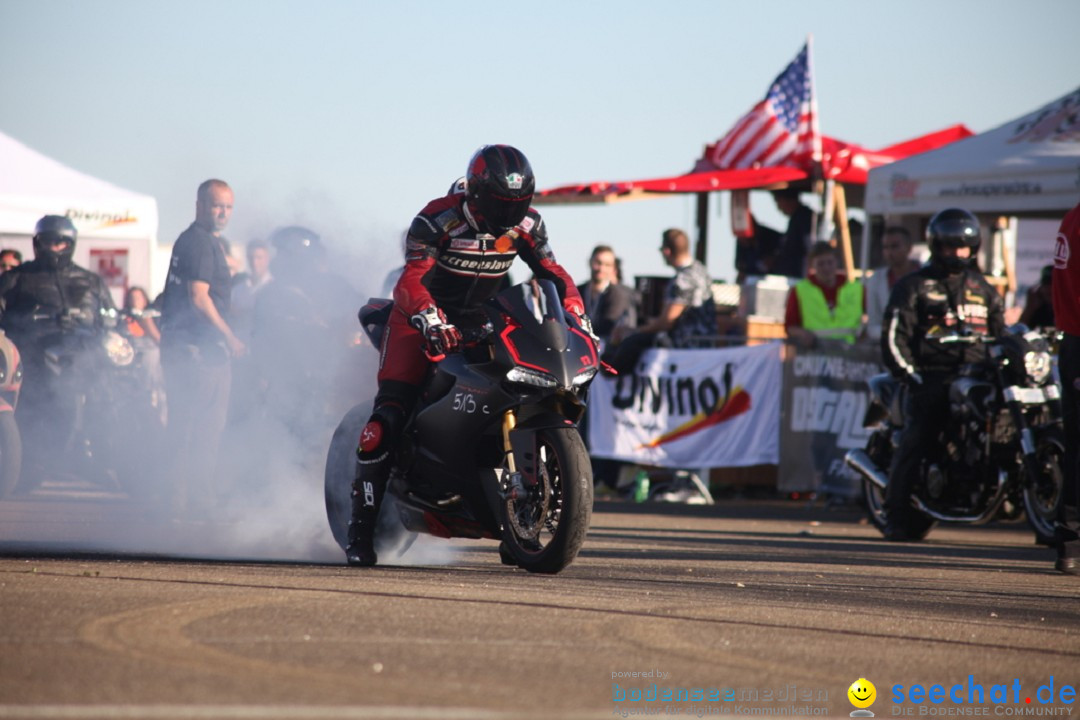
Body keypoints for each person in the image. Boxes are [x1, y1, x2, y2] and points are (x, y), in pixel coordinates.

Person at [345, 144, 588, 567]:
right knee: (389, 417)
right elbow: (410, 280)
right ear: (476, 194)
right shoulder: (438, 219)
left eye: (517, 203)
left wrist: (576, 315)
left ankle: (514, 521)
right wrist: (429, 318)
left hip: (485, 317)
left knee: (523, 384)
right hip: (419, 317)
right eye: (499, 203)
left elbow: (553, 274)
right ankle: (359, 530)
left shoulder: (529, 224)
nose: (508, 214)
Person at [880, 208, 1004, 541]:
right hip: (930, 377)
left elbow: (1002, 335)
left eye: (965, 248)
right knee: (920, 432)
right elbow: (893, 338)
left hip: (977, 378)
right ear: (937, 245)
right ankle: (895, 512)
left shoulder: (984, 288)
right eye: (952, 247)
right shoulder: (914, 286)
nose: (959, 254)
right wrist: (912, 376)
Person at [159, 179, 246, 520]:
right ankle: (192, 507)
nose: (223, 213)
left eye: (228, 207)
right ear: (199, 205)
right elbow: (198, 299)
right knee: (201, 430)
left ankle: (179, 504)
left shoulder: (200, 241)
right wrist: (230, 337)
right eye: (216, 206)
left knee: (190, 428)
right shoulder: (198, 243)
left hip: (190, 348)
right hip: (197, 352)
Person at [0, 216, 116, 471]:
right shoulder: (16, 278)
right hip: (34, 348)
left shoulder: (90, 280)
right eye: (49, 242)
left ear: (71, 244)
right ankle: (24, 448)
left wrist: (111, 327)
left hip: (83, 350)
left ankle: (111, 444)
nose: (55, 247)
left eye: (61, 242)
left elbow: (110, 316)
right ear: (38, 243)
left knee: (119, 379)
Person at [605, 228, 716, 375]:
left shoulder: (683, 279)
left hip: (686, 344)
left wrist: (634, 331)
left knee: (632, 342)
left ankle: (610, 372)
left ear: (667, 251)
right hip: (705, 342)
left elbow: (666, 322)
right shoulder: (701, 270)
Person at [1052, 200, 1080, 575]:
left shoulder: (1071, 216)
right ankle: (1070, 543)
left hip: (1072, 341)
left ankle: (1068, 544)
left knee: (1075, 449)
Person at [784, 241, 864, 348]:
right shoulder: (799, 291)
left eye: (830, 262)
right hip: (814, 353)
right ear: (812, 265)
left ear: (837, 262)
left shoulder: (856, 289)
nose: (826, 268)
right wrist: (803, 334)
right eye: (821, 264)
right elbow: (790, 326)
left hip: (850, 352)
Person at [863, 227, 920, 343]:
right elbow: (873, 325)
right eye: (885, 247)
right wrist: (896, 334)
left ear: (909, 248)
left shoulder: (926, 277)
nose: (889, 252)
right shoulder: (876, 279)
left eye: (895, 246)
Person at [577, 245, 636, 352]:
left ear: (613, 268)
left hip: (604, 348)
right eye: (598, 263)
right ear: (590, 262)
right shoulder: (578, 291)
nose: (601, 268)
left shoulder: (618, 295)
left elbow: (608, 325)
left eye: (607, 265)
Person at [770, 188, 815, 278]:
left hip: (800, 276)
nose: (778, 207)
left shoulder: (804, 217)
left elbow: (811, 248)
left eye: (778, 201)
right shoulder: (796, 218)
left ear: (788, 200)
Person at [1020, 265, 1055, 329]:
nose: (1048, 289)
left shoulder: (1066, 307)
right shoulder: (1038, 302)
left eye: (1052, 285)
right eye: (1045, 285)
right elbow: (1021, 329)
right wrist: (1030, 308)